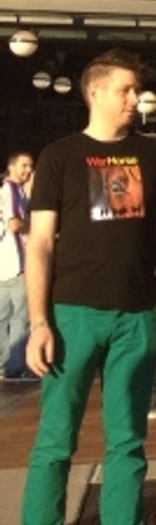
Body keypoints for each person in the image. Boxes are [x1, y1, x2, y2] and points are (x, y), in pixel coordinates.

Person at [22, 49, 156, 525]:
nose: (136, 98)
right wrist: (38, 323)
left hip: (136, 317)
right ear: (95, 91)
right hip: (72, 316)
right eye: (126, 89)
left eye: (138, 90)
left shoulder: (152, 154)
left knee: (129, 442)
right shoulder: (60, 156)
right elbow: (40, 245)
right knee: (55, 440)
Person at [1, 151, 37, 380]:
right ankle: (14, 366)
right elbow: (15, 224)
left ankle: (4, 364)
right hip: (16, 263)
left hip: (3, 264)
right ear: (11, 166)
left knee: (2, 316)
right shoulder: (12, 189)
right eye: (24, 166)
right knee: (21, 316)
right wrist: (38, 226)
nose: (27, 171)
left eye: (30, 167)